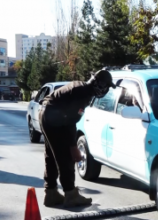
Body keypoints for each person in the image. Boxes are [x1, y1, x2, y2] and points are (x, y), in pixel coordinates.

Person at [39, 70, 116, 208]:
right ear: (100, 85)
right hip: (54, 117)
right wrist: (73, 147)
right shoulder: (83, 93)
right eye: (107, 86)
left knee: (51, 155)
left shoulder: (82, 88)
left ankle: (50, 193)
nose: (107, 90)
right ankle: (70, 195)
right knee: (65, 157)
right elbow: (69, 121)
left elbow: (68, 118)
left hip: (47, 114)